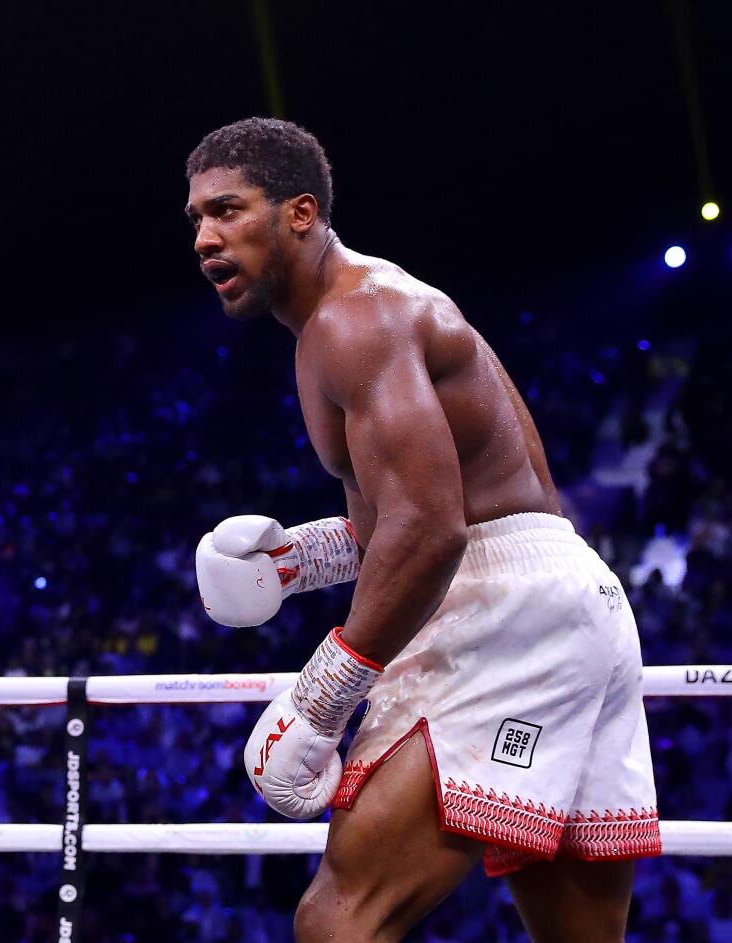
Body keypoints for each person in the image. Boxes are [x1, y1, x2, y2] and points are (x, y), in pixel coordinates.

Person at [186, 117, 659, 941]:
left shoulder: (355, 319)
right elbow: (431, 510)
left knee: (340, 915)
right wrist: (297, 561)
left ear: (301, 212)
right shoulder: (350, 317)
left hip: (506, 613)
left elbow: (433, 528)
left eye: (227, 210)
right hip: (564, 600)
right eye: (196, 218)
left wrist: (320, 698)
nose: (204, 237)